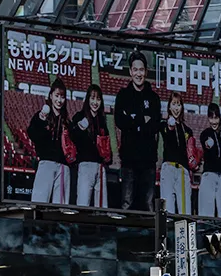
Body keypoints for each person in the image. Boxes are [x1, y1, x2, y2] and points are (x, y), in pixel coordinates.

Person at [114, 52, 161, 212]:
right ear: (130, 71)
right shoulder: (123, 95)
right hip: (129, 159)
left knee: (148, 205)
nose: (138, 74)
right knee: (127, 203)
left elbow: (155, 125)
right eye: (135, 70)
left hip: (148, 161)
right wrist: (142, 119)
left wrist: (132, 119)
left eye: (141, 70)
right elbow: (120, 121)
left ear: (146, 71)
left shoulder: (154, 98)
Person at [27, 78, 74, 204]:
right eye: (57, 96)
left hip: (63, 166)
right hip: (46, 162)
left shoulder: (67, 121)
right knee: (39, 201)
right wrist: (41, 122)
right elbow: (32, 134)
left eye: (62, 97)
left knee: (61, 205)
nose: (59, 100)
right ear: (51, 95)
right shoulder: (42, 115)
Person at [71, 83, 111, 207]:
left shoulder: (102, 121)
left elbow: (106, 144)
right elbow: (72, 137)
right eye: (92, 98)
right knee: (83, 203)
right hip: (85, 165)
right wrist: (80, 128)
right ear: (87, 99)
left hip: (100, 167)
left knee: (102, 206)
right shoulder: (79, 116)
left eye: (98, 99)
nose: (95, 102)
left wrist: (108, 158)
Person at [158, 91, 194, 215]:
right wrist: (170, 127)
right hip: (168, 168)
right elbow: (167, 134)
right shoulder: (163, 125)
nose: (176, 108)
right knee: (167, 209)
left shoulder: (187, 130)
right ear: (169, 106)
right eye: (173, 104)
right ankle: (167, 228)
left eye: (179, 104)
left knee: (184, 211)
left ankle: (183, 228)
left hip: (182, 170)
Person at [197, 103, 221, 217]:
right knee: (206, 213)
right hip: (209, 175)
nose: (213, 122)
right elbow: (206, 144)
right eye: (211, 118)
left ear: (220, 118)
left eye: (216, 118)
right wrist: (208, 144)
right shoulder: (205, 133)